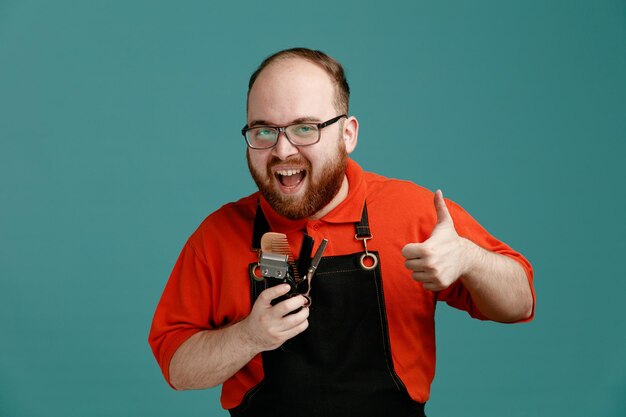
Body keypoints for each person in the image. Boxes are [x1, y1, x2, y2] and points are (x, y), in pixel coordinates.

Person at [148, 47, 535, 417]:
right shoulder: (217, 235)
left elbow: (520, 303)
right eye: (264, 131)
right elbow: (177, 368)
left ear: (347, 134)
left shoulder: (413, 211)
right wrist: (250, 336)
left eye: (305, 128)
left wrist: (468, 258)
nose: (283, 151)